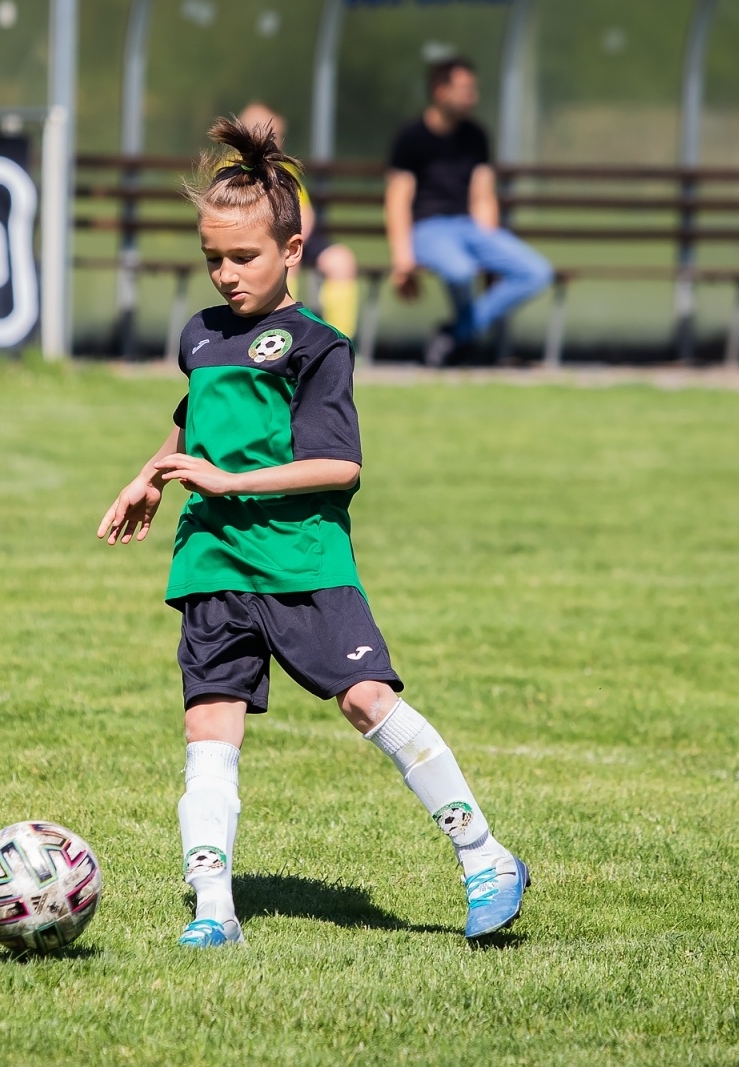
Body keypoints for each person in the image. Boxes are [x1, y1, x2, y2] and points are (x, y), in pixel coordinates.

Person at [97, 117, 528, 949]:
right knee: (209, 731)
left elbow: (338, 466)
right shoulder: (201, 336)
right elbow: (195, 427)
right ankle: (216, 910)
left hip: (303, 562)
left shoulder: (317, 346)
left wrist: (231, 480)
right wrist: (149, 473)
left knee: (369, 701)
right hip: (214, 561)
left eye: (243, 258)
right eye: (211, 258)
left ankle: (484, 855)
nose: (225, 274)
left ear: (292, 250)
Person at [386, 57, 552, 365]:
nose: (472, 96)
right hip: (427, 229)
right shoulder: (410, 137)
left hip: (468, 228)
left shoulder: (476, 136)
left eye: (473, 89)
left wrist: (489, 247)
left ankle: (458, 334)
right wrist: (402, 259)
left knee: (537, 272)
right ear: (440, 91)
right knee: (460, 271)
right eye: (464, 89)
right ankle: (463, 341)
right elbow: (398, 201)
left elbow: (483, 195)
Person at [236, 102, 360, 340]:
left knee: (341, 260)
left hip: (296, 236)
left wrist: (295, 239)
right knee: (285, 264)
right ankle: (283, 334)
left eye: (279, 136)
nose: (278, 142)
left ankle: (339, 340)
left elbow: (305, 212)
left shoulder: (284, 169)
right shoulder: (234, 169)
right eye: (271, 136)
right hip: (260, 240)